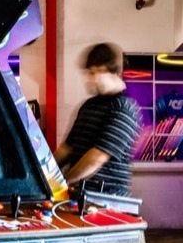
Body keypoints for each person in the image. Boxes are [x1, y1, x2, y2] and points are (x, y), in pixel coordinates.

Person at [55, 42, 141, 195]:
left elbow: (97, 157)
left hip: (108, 200)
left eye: (100, 71)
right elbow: (67, 148)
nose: (94, 78)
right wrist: (45, 174)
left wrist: (63, 181)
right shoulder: (88, 106)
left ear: (115, 72)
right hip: (80, 195)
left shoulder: (124, 108)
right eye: (91, 72)